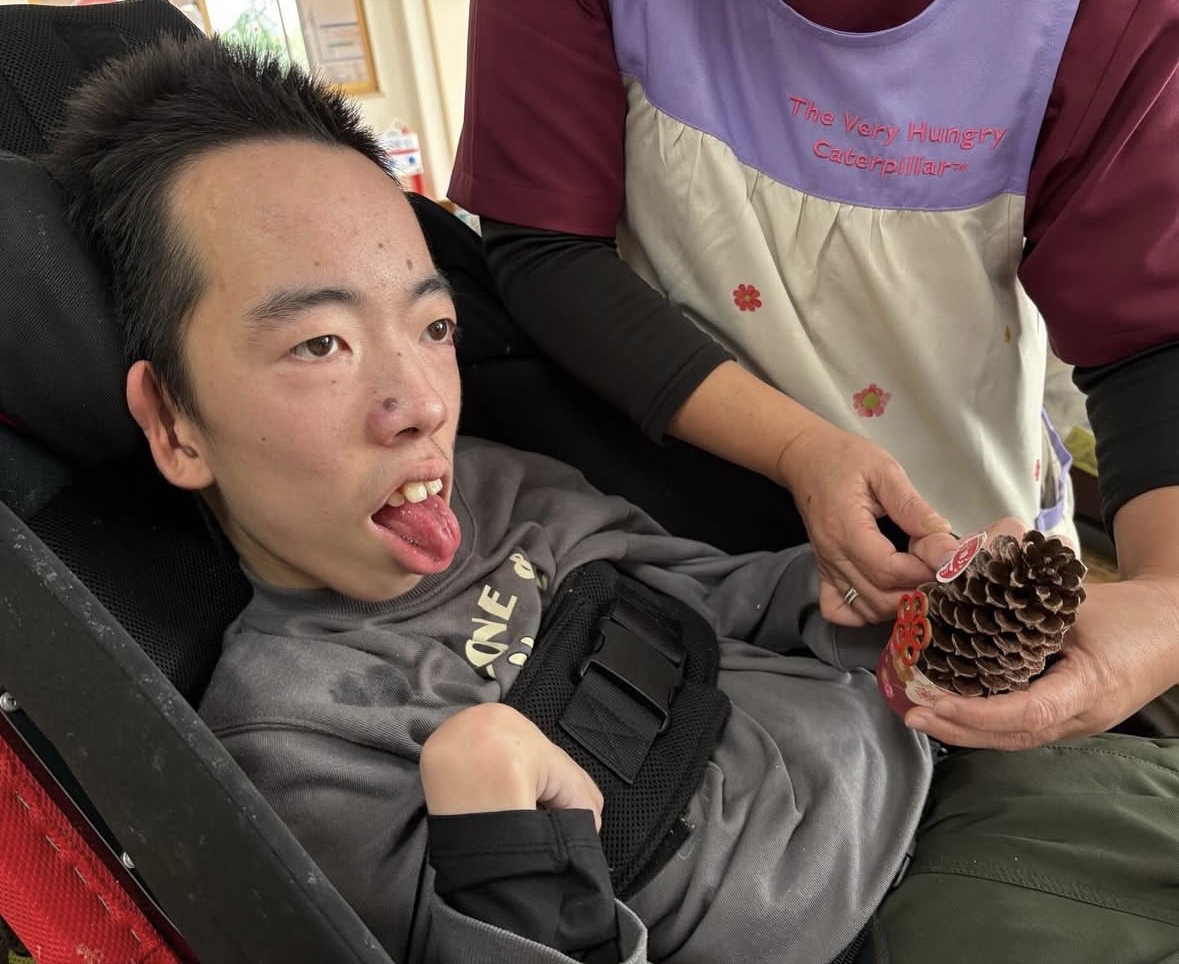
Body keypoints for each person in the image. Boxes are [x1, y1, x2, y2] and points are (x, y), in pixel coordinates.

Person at [45, 35, 1179, 964]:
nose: (419, 404)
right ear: (176, 423)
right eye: (321, 343)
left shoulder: (504, 488)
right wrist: (498, 829)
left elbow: (721, 600)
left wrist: (866, 592)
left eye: (432, 326)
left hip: (947, 757)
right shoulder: (300, 740)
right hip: (883, 925)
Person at [449, 0, 1179, 750]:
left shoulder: (1104, 20)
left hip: (965, 556)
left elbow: (1151, 336)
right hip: (676, 542)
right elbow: (546, 248)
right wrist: (800, 450)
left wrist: (1167, 597)